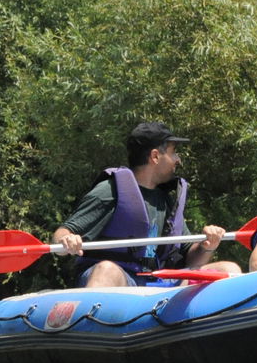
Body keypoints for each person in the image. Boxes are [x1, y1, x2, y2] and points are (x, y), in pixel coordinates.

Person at [51, 122, 240, 287]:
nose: (178, 160)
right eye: (174, 152)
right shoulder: (110, 191)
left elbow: (190, 256)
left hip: (156, 281)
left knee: (228, 269)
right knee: (107, 269)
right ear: (155, 156)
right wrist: (66, 240)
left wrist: (208, 245)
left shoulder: (165, 200)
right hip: (119, 278)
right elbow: (62, 233)